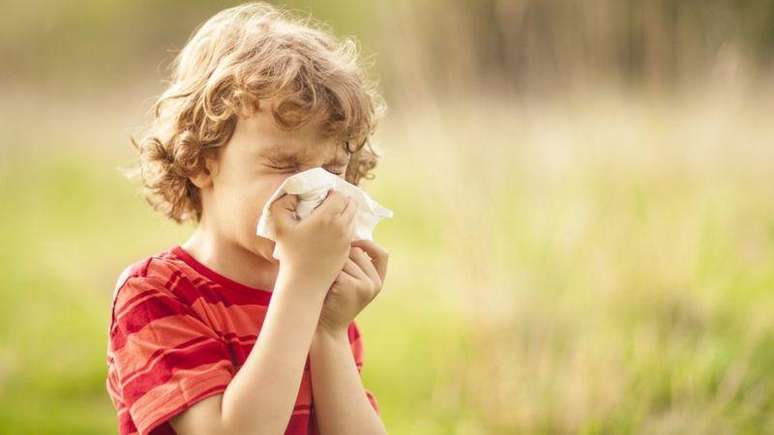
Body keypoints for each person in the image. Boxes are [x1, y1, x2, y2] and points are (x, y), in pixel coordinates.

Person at [105, 2, 389, 434]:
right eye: (284, 165)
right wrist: (303, 287)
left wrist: (329, 333)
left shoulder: (320, 300)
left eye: (332, 171)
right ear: (200, 162)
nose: (314, 190)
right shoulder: (157, 297)